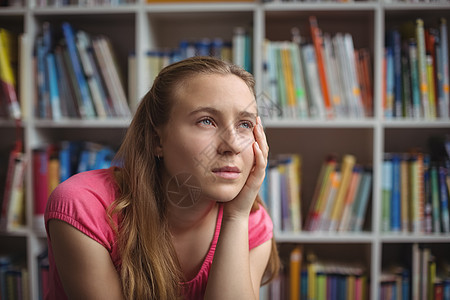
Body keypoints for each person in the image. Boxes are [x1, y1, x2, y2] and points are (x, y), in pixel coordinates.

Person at [45, 56, 280, 300]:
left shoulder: (250, 222)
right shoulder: (83, 206)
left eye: (244, 124)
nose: (232, 145)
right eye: (207, 121)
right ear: (157, 140)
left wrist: (236, 217)